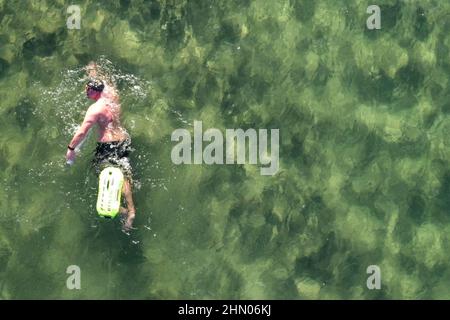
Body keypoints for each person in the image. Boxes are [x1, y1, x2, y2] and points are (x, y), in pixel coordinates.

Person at [66, 62, 136, 231]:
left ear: (95, 91)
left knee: (101, 172)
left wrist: (71, 149)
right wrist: (92, 70)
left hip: (108, 145)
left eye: (88, 89)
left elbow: (82, 132)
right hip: (124, 140)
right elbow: (101, 80)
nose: (85, 91)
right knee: (123, 173)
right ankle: (131, 209)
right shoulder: (111, 93)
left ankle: (123, 210)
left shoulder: (95, 109)